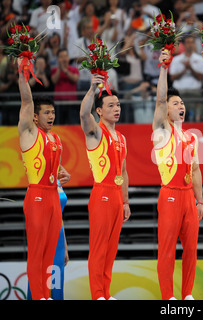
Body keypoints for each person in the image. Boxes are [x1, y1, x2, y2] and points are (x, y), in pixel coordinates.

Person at [152, 49, 203, 300]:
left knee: (191, 250)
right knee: (168, 250)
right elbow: (160, 100)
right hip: (170, 195)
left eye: (182, 103)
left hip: (188, 199)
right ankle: (168, 297)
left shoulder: (190, 136)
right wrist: (164, 67)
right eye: (177, 103)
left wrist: (200, 200)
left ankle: (187, 295)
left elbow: (195, 169)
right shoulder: (162, 130)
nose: (181, 106)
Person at [17, 56, 70, 300]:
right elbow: (27, 102)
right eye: (46, 112)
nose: (51, 116)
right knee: (37, 252)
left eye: (53, 112)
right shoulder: (30, 133)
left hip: (52, 197)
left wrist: (61, 174)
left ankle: (46, 295)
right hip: (37, 195)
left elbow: (54, 171)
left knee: (50, 254)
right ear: (36, 117)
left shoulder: (56, 139)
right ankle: (38, 297)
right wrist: (22, 73)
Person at [79, 75, 131, 300]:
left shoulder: (121, 137)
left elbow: (124, 172)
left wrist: (126, 201)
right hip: (101, 194)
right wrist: (92, 89)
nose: (116, 109)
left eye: (118, 104)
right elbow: (83, 114)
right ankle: (97, 294)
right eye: (111, 105)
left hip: (117, 197)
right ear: (99, 111)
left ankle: (106, 294)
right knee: (99, 249)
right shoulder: (95, 131)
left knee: (111, 251)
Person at [27, 179, 70, 300]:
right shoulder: (36, 180)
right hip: (42, 234)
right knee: (40, 271)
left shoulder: (56, 181)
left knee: (56, 274)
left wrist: (65, 246)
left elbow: (59, 216)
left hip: (58, 238)